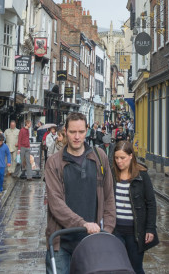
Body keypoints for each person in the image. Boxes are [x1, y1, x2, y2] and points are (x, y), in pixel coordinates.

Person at [44, 112, 116, 274]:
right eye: (72, 132)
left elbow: (109, 196)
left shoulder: (99, 157)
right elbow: (56, 204)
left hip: (92, 241)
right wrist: (83, 224)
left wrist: (108, 231)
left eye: (81, 132)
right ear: (65, 132)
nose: (77, 137)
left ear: (87, 131)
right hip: (61, 242)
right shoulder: (54, 162)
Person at [112, 139, 158, 274]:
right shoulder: (112, 175)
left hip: (135, 232)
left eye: (122, 158)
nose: (119, 161)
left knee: (135, 268)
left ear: (131, 156)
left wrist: (150, 228)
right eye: (116, 158)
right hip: (116, 231)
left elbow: (151, 203)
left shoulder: (142, 175)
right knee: (117, 268)